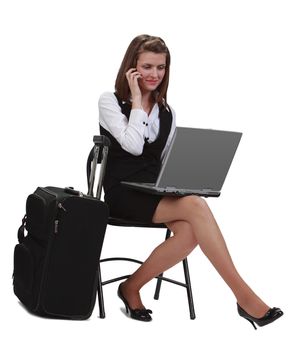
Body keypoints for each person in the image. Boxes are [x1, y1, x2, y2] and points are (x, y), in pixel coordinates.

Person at [98, 34, 283, 327]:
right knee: (196, 211)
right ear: (131, 68)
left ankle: (130, 287)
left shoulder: (167, 113)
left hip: (152, 191)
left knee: (189, 231)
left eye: (160, 68)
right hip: (122, 193)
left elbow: (167, 162)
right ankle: (244, 297)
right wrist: (136, 100)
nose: (154, 75)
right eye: (147, 66)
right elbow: (132, 145)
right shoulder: (110, 101)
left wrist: (186, 178)